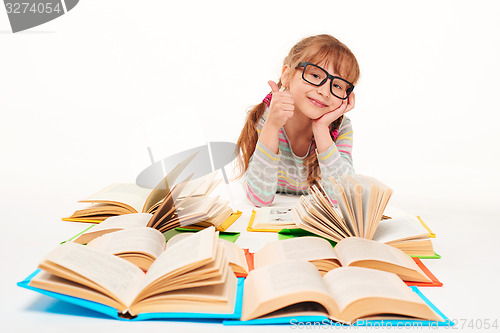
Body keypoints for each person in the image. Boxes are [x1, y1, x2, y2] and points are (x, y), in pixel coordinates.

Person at [236, 34, 360, 207]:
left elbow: (344, 199)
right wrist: (272, 125)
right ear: (287, 75)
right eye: (315, 75)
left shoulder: (341, 128)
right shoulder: (266, 117)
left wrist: (321, 128)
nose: (324, 91)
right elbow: (258, 198)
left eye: (338, 85)